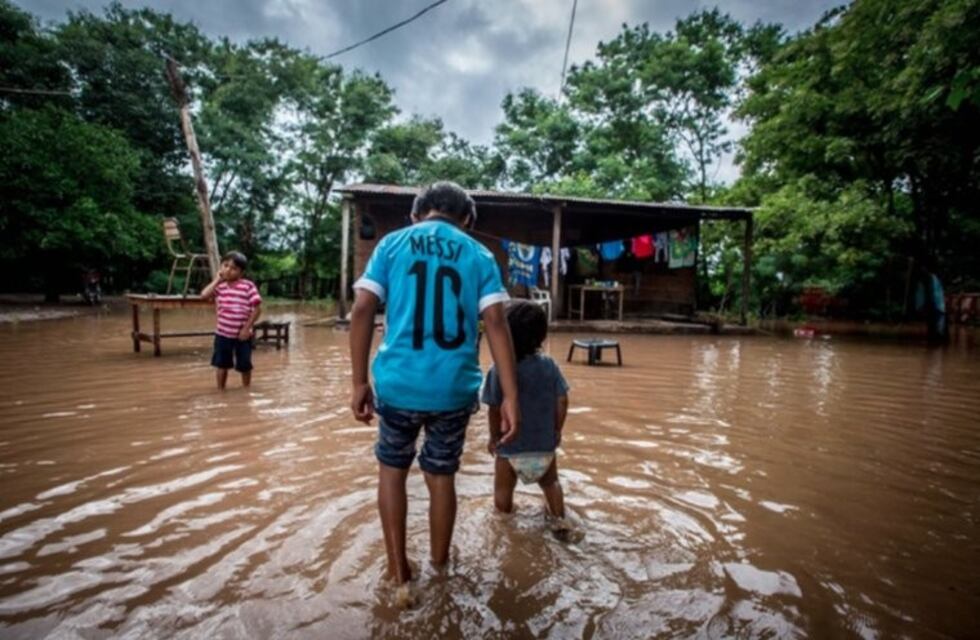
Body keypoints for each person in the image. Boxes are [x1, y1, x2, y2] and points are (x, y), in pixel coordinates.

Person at [349, 181, 520, 593]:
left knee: (392, 471)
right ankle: (441, 568)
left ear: (416, 213)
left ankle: (399, 573)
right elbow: (496, 323)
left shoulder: (391, 245)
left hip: (397, 386)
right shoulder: (480, 254)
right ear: (466, 220)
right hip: (453, 391)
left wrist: (358, 382)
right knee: (441, 476)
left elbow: (361, 310)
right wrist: (511, 396)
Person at [482, 300, 570, 527]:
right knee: (552, 484)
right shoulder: (549, 366)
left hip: (510, 449)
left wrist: (494, 437)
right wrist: (556, 430)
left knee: (502, 493)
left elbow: (493, 408)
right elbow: (562, 399)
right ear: (541, 338)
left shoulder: (497, 371)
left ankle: (503, 527)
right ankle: (560, 522)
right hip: (544, 447)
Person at [201, 251, 262, 389]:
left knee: (245, 365)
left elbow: (257, 309)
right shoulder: (220, 287)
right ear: (221, 267)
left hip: (243, 335)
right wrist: (217, 279)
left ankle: (246, 390)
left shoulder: (248, 286)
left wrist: (246, 329)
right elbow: (204, 295)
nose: (228, 270)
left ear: (241, 272)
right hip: (223, 334)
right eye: (226, 265)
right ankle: (221, 393)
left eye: (234, 268)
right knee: (221, 364)